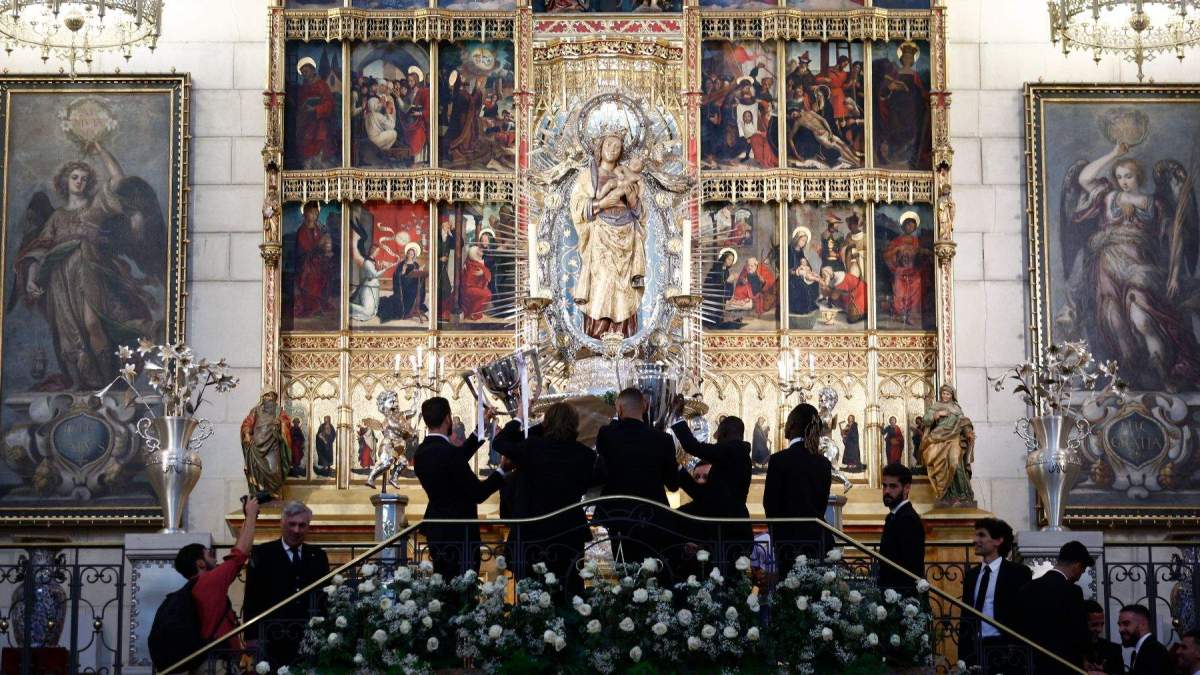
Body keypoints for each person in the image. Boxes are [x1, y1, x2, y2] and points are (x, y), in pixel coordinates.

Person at [491, 402, 606, 597]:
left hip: (532, 534)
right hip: (568, 535)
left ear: (546, 424)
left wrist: (521, 418)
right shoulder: (585, 455)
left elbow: (499, 442)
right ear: (575, 424)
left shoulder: (533, 447)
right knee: (567, 591)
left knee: (531, 595)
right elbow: (598, 478)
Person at [414, 397, 504, 577]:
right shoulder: (449, 454)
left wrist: (481, 427)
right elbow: (478, 493)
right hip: (460, 536)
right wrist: (502, 471)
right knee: (463, 591)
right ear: (448, 418)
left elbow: (457, 458)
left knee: (444, 587)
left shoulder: (420, 453)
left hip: (437, 532)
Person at [569, 131, 648, 339]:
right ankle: (597, 339)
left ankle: (624, 340)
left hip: (627, 236)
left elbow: (641, 213)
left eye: (617, 146)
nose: (613, 149)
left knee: (624, 290)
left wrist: (631, 199)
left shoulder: (626, 175)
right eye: (609, 144)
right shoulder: (588, 175)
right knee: (602, 282)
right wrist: (602, 204)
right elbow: (577, 207)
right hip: (601, 236)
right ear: (600, 147)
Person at [172, 496, 260, 673]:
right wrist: (251, 516)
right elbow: (239, 555)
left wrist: (247, 518)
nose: (215, 558)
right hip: (216, 664)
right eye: (210, 555)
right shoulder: (208, 582)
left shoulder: (196, 586)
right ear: (200, 564)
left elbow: (235, 554)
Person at [594, 388, 679, 566]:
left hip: (619, 515)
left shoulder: (607, 434)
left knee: (624, 569)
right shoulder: (662, 439)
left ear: (619, 407)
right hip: (653, 516)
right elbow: (672, 484)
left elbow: (602, 469)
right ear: (646, 406)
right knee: (652, 570)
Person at [243, 501, 329, 667]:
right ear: (282, 523)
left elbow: (323, 596)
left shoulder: (318, 556)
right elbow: (252, 597)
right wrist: (251, 637)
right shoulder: (263, 553)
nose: (297, 530)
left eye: (302, 525)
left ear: (308, 526)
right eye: (292, 524)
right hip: (272, 636)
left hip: (308, 637)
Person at [669, 400, 753, 565]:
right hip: (725, 530)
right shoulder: (735, 455)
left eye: (718, 433)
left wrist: (677, 417)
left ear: (726, 433)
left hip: (730, 532)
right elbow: (705, 496)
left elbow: (693, 447)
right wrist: (678, 469)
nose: (715, 437)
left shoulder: (732, 450)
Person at [763, 403, 833, 568]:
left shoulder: (779, 460)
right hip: (818, 540)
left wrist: (776, 537)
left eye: (787, 422)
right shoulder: (823, 463)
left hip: (787, 543)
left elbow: (770, 504)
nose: (785, 426)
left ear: (792, 425)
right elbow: (821, 504)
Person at [959, 518, 1032, 668]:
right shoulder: (971, 576)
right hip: (974, 649)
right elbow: (965, 616)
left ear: (998, 540)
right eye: (976, 535)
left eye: (981, 535)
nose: (975, 540)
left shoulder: (1017, 573)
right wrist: (963, 655)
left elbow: (1024, 614)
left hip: (1005, 649)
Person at [1014, 540, 1095, 675]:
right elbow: (1079, 631)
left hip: (1032, 664)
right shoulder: (1072, 591)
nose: (1080, 576)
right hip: (1064, 664)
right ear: (1077, 566)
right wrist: (1088, 654)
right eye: (1082, 570)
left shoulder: (1027, 588)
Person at [920, 384, 976, 505]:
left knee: (955, 463)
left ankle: (963, 494)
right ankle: (945, 494)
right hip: (938, 438)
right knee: (939, 464)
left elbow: (964, 422)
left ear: (952, 396)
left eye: (948, 394)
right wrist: (936, 415)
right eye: (943, 393)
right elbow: (925, 420)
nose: (945, 396)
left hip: (954, 437)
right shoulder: (936, 406)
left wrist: (968, 432)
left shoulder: (956, 408)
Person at [877, 462, 924, 593]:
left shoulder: (907, 519)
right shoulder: (895, 516)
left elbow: (909, 567)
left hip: (902, 596)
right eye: (884, 486)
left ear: (907, 488)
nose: (887, 491)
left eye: (893, 486)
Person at [240, 391, 292, 500]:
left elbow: (286, 422)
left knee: (274, 470)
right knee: (256, 468)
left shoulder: (279, 411)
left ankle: (273, 492)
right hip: (256, 445)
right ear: (263, 397)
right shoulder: (256, 410)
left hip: (272, 445)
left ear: (275, 398)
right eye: (266, 395)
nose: (268, 398)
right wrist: (247, 434)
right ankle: (260, 492)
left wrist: (281, 424)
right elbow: (247, 423)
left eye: (271, 396)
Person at [1118, 604, 1170, 675]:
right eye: (1119, 625)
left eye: (1126, 624)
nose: (1120, 629)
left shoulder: (1153, 651)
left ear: (1142, 624)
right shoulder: (1142, 650)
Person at [1082, 599, 1124, 675]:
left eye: (1102, 624)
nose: (1100, 630)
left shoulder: (1113, 650)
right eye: (1094, 625)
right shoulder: (1069, 651)